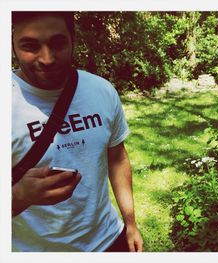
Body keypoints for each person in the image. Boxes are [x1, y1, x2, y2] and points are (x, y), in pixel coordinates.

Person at [11, 11, 143, 252]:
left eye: (57, 43)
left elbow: (116, 158)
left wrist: (130, 223)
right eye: (30, 45)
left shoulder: (101, 91)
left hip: (109, 240)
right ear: (12, 45)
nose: (47, 58)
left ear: (73, 39)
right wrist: (18, 197)